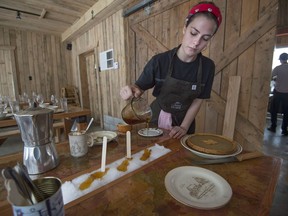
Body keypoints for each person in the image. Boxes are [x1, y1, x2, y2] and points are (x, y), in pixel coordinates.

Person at [120, 1, 222, 139]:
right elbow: (138, 88)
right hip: (156, 120)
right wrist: (130, 90)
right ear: (185, 28)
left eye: (205, 38)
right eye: (193, 33)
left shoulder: (208, 67)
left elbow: (198, 100)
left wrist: (184, 127)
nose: (197, 42)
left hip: (184, 123)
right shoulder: (159, 61)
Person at [268, 52, 288, 136]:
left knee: (273, 110)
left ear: (280, 59)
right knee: (286, 113)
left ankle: (273, 127)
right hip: (287, 94)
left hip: (277, 92)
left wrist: (277, 80)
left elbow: (271, 77)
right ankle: (284, 130)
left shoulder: (277, 68)